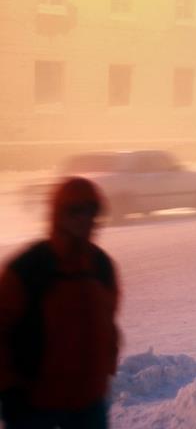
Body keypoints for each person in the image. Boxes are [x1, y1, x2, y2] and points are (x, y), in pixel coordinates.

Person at [0, 177, 120, 429]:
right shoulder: (29, 267)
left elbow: (109, 326)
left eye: (91, 210)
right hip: (34, 404)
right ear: (58, 213)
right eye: (75, 210)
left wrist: (106, 370)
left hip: (88, 404)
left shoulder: (102, 266)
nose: (84, 218)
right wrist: (9, 389)